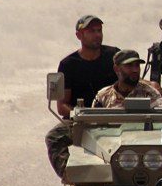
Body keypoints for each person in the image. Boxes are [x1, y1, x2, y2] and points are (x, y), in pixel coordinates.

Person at [44, 15, 120, 177]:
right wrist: (81, 116)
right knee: (54, 138)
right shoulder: (69, 65)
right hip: (82, 120)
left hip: (115, 116)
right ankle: (70, 179)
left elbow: (129, 82)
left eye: (99, 30)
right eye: (92, 31)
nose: (97, 34)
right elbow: (62, 105)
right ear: (79, 35)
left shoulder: (113, 56)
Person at [93, 49, 162, 109]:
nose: (135, 70)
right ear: (116, 68)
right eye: (129, 65)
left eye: (137, 65)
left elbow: (159, 121)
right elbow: (94, 122)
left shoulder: (150, 93)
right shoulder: (104, 96)